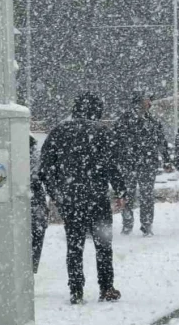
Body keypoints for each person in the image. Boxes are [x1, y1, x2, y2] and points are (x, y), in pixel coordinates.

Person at [40, 93, 126, 305]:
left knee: (74, 245)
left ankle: (76, 290)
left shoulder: (59, 132)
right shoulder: (102, 132)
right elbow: (112, 166)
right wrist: (121, 191)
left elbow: (45, 168)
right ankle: (106, 287)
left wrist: (56, 195)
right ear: (96, 110)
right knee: (103, 244)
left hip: (70, 199)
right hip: (97, 197)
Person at [113, 91, 173, 237]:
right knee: (129, 195)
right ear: (139, 101)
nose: (150, 103)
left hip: (146, 164)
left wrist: (166, 160)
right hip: (130, 164)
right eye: (147, 100)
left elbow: (161, 142)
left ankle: (146, 225)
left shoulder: (152, 120)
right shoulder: (125, 120)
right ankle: (128, 224)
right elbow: (115, 142)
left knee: (146, 196)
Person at [30, 135, 49, 274]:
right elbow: (46, 177)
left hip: (30, 200)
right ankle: (32, 266)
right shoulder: (38, 157)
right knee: (37, 236)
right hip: (36, 201)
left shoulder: (10, 155)